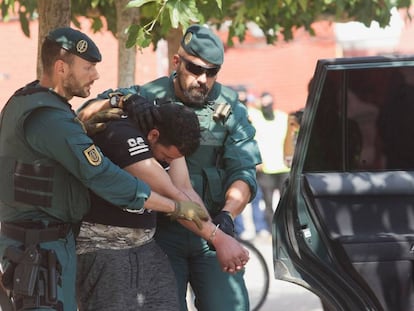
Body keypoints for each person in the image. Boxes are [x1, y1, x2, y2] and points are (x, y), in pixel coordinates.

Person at [0, 27, 207, 311]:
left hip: (41, 244)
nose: (95, 75)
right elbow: (103, 177)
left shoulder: (29, 100)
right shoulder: (49, 118)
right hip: (39, 249)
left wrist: (84, 125)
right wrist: (173, 206)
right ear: (61, 67)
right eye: (87, 68)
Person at [78, 24, 261, 311]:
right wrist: (122, 100)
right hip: (162, 235)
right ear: (177, 62)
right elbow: (85, 113)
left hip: (211, 226)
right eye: (195, 69)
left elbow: (244, 171)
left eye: (212, 72)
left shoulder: (230, 108)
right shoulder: (148, 96)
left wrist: (227, 217)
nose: (203, 79)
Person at [77, 100, 206, 311]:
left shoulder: (161, 134)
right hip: (102, 247)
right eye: (166, 157)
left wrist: (217, 236)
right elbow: (155, 194)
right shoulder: (119, 134)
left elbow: (183, 189)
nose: (167, 162)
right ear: (153, 136)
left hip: (144, 245)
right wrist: (179, 209)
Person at [248, 91, 290, 230]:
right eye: (264, 103)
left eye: (269, 102)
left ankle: (287, 228)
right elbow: (246, 103)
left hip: (284, 167)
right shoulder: (256, 117)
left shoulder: (282, 117)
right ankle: (272, 231)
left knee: (287, 202)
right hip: (265, 168)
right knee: (268, 203)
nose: (266, 105)